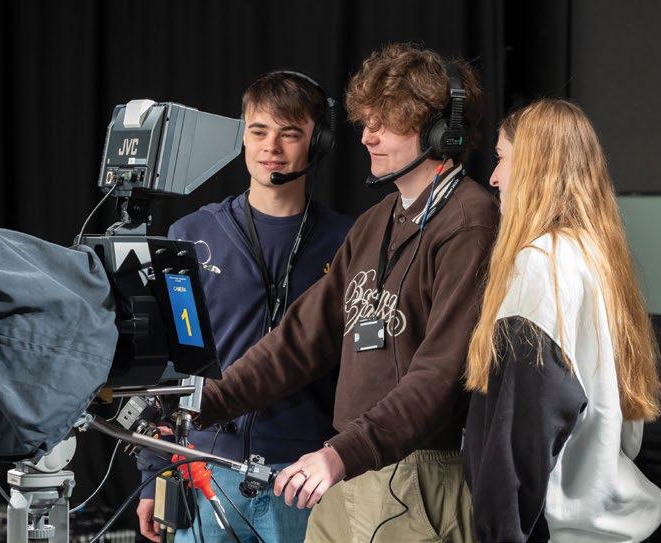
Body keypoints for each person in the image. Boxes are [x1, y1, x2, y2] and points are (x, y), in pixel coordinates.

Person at [194, 43, 499, 543]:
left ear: (442, 131)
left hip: (413, 474)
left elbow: (440, 374)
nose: (367, 137)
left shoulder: (470, 222)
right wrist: (204, 403)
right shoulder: (376, 221)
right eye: (366, 122)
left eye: (386, 124)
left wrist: (339, 455)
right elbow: (300, 337)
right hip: (350, 467)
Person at [135, 70, 354, 543]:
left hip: (305, 479)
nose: (271, 146)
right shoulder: (191, 234)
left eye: (289, 133)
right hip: (204, 469)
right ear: (243, 136)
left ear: (317, 142)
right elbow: (167, 365)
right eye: (258, 131)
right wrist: (153, 472)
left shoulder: (351, 242)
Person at [462, 98, 661, 542]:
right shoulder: (595, 257)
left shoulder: (542, 264)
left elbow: (522, 434)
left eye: (502, 159)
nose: (494, 177)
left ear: (535, 168)